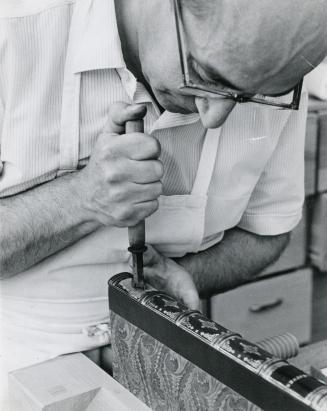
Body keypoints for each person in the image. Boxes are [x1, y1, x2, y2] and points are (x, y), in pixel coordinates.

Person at [1, 0, 327, 406]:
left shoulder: (271, 71)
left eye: (249, 96)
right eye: (208, 76)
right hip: (15, 359)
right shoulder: (13, 31)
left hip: (165, 349)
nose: (214, 116)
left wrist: (182, 278)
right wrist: (82, 197)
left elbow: (268, 232)